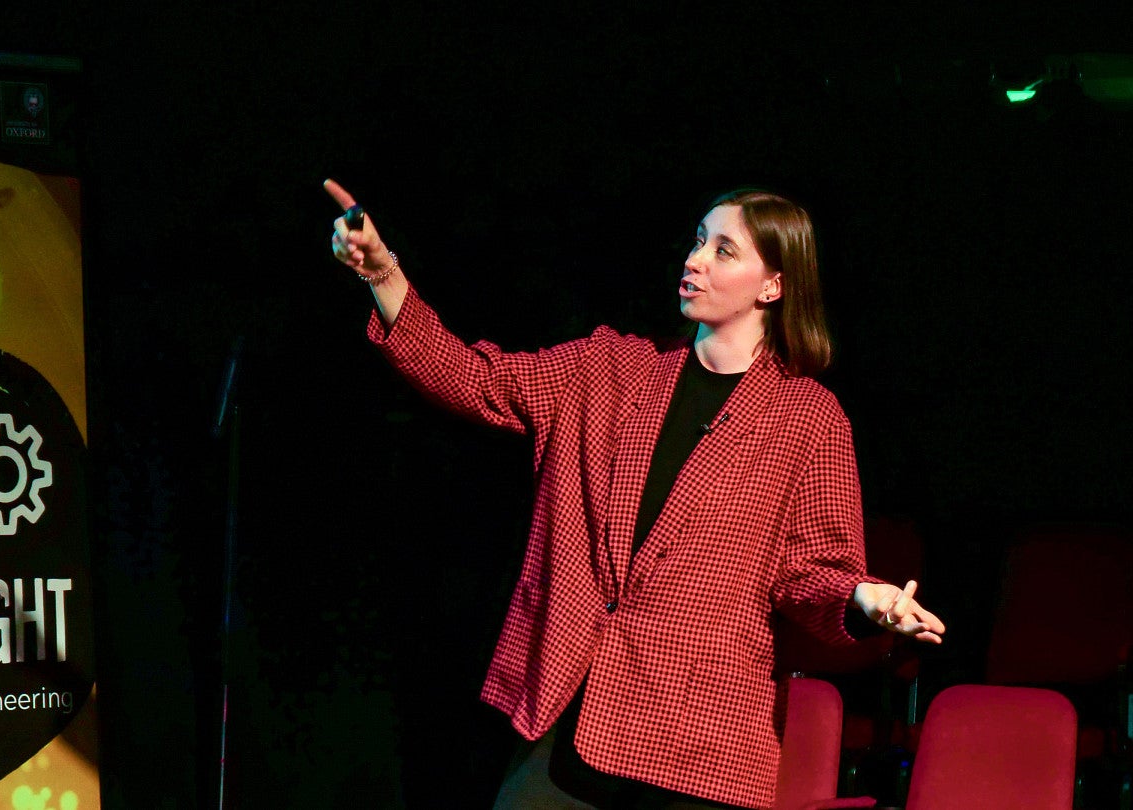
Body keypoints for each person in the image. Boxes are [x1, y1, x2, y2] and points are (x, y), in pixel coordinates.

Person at [323, 178, 945, 810]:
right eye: (699, 241)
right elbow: (476, 380)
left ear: (772, 286)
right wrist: (384, 274)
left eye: (723, 250)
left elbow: (811, 572)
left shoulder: (807, 418)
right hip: (577, 703)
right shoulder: (613, 369)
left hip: (704, 733)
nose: (695, 259)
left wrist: (865, 595)